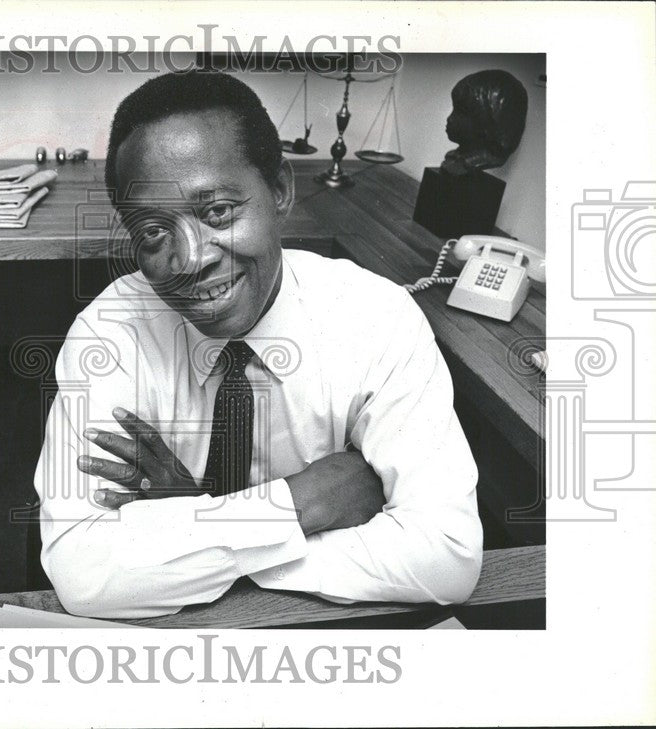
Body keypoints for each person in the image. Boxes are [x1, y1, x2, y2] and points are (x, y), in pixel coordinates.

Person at [33, 69, 482, 619]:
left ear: (279, 190)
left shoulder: (378, 319)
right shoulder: (111, 333)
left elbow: (447, 557)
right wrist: (301, 504)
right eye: (153, 232)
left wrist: (193, 527)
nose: (190, 259)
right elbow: (83, 571)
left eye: (218, 211)